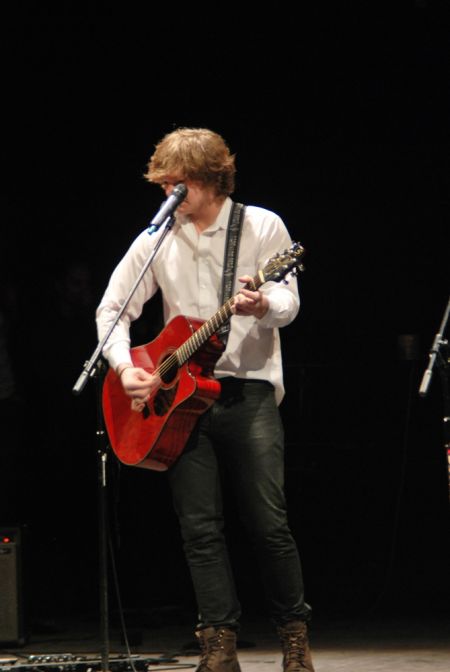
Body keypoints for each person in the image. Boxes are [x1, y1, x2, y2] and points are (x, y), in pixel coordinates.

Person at [96, 127, 315, 672]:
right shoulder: (156, 238)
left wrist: (262, 303)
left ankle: (294, 636)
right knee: (198, 528)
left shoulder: (261, 225)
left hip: (249, 390)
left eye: (178, 185)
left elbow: (288, 302)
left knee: (268, 521)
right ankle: (218, 643)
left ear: (210, 179)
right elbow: (113, 310)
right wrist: (125, 367)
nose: (168, 195)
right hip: (182, 399)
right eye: (163, 185)